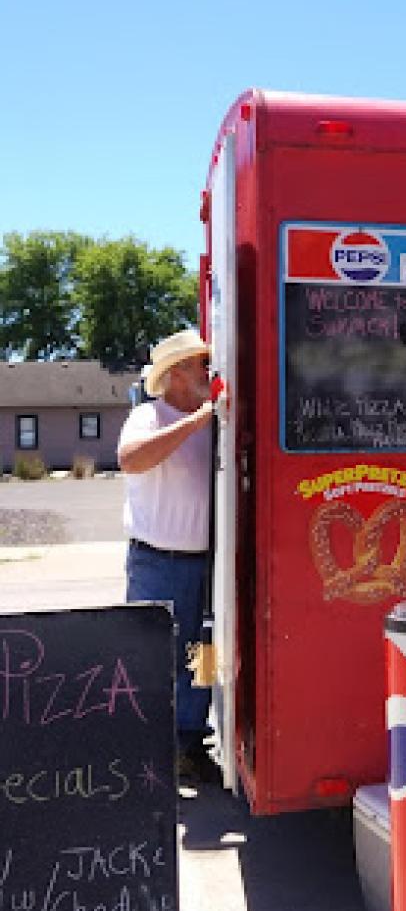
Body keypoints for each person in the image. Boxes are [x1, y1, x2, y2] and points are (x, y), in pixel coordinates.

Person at [119, 327, 222, 785]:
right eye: (202, 364)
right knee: (152, 654)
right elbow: (131, 459)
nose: (209, 371)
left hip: (206, 563)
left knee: (204, 654)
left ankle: (190, 741)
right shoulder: (148, 415)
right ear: (178, 372)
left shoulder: (214, 421)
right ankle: (148, 751)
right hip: (155, 560)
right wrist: (195, 423)